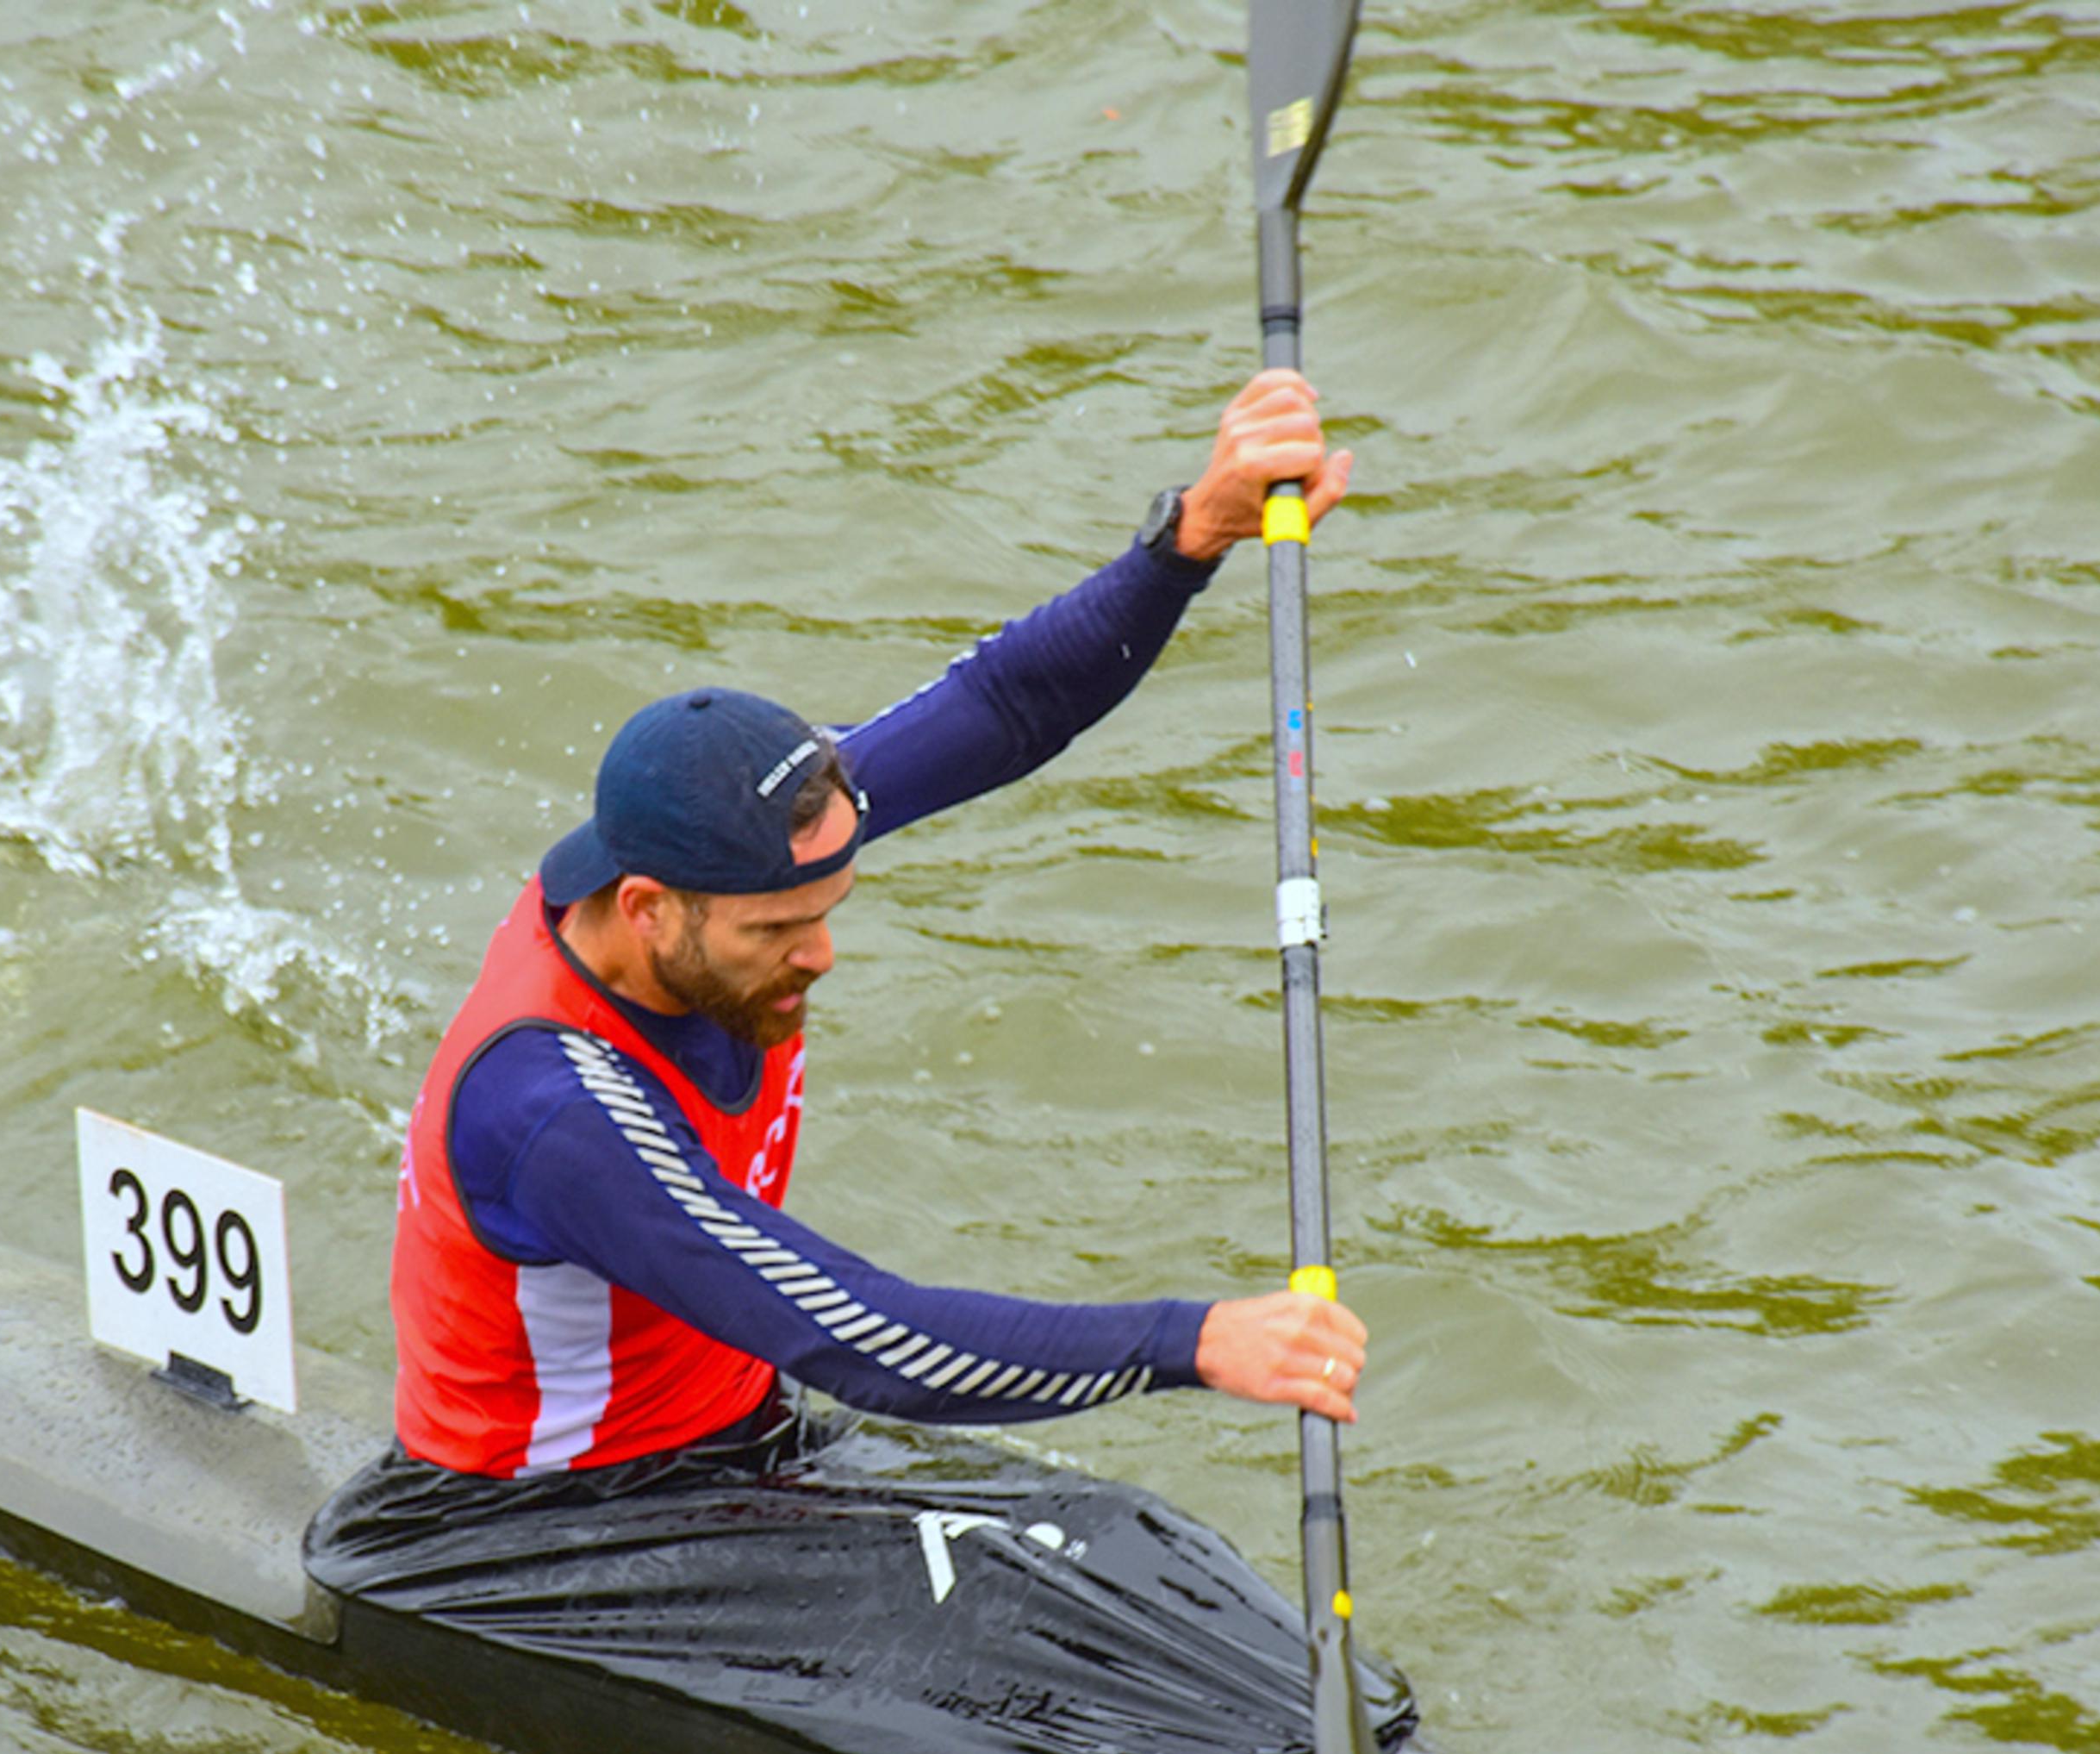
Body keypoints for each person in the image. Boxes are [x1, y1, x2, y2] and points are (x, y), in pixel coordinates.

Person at [365, 370, 1374, 1505]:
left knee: (1114, 1541)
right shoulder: (552, 1110)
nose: (822, 955)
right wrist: (1189, 1341)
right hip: (544, 1514)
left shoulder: (749, 838)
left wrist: (1191, 536)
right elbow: (860, 1338)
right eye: (782, 931)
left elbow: (1003, 707)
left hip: (733, 1429)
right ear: (646, 906)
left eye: (827, 914)